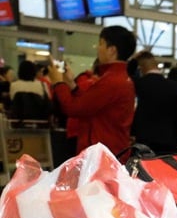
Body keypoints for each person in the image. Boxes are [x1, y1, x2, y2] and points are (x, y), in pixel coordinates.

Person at [48, 25, 137, 157]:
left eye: (101, 44)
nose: (97, 48)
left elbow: (74, 108)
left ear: (112, 50)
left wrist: (58, 83)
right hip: (110, 151)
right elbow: (90, 105)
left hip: (101, 157)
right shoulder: (119, 78)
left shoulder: (111, 81)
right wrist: (72, 85)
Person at [131, 51, 177, 154]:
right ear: (156, 65)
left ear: (141, 67)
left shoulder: (138, 85)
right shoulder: (173, 86)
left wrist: (133, 60)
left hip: (144, 140)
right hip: (168, 140)